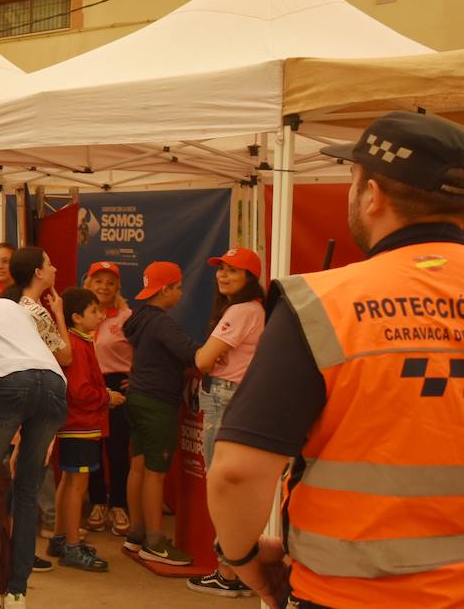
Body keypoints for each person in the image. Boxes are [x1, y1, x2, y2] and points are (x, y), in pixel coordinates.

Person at [208, 111, 464, 609]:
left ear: (372, 196)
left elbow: (237, 471)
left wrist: (242, 561)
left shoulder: (323, 303)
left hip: (348, 593)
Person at [0, 278, 68, 608]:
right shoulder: (18, 311)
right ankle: (16, 594)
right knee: (27, 489)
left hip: (7, 380)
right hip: (53, 382)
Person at [186, 247, 266, 597]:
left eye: (232, 271)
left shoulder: (241, 310)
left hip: (224, 396)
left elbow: (203, 359)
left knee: (221, 489)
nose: (222, 275)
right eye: (220, 269)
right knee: (231, 488)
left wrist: (200, 354)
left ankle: (228, 572)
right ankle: (236, 570)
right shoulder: (253, 310)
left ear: (249, 277)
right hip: (236, 397)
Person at [120, 260, 197, 566]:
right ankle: (155, 540)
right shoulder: (163, 323)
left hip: (138, 397)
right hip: (157, 403)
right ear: (164, 290)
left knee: (137, 466)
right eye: (177, 287)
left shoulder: (140, 319)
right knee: (155, 472)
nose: (180, 293)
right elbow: (191, 353)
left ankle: (136, 534)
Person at [3, 245, 71, 555]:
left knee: (18, 472)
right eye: (50, 263)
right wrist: (59, 313)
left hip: (15, 397)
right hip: (38, 401)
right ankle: (21, 551)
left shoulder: (12, 306)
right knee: (28, 477)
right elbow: (65, 355)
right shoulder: (37, 311)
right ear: (38, 273)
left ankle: (12, 544)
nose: (55, 268)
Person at [48, 287, 120, 572]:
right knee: (77, 485)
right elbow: (80, 391)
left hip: (78, 423)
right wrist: (108, 397)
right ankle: (73, 547)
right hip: (81, 424)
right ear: (76, 317)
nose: (100, 315)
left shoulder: (79, 340)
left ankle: (60, 537)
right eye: (94, 311)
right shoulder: (77, 345)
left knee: (68, 482)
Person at [83, 260, 133, 538]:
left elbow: (144, 350)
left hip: (117, 385)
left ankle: (119, 505)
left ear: (117, 287)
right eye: (98, 281)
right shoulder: (79, 315)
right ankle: (98, 503)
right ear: (88, 284)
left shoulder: (126, 317)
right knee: (90, 448)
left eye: (110, 282)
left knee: (116, 450)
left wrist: (135, 377)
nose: (104, 286)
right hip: (88, 386)